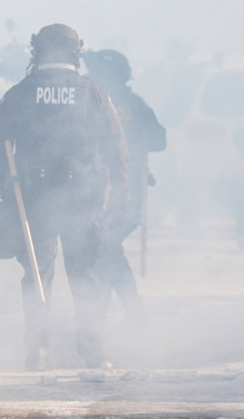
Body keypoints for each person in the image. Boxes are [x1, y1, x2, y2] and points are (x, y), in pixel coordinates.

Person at [0, 23, 130, 370]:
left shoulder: (19, 93)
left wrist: (9, 185)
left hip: (32, 199)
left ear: (37, 51)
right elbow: (115, 148)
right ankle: (93, 352)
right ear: (75, 51)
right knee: (84, 275)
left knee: (36, 276)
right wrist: (119, 194)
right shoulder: (93, 92)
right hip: (82, 199)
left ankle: (38, 351)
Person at [84, 49, 166, 325]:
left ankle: (110, 311)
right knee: (108, 246)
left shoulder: (88, 101)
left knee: (106, 245)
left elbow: (157, 141)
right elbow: (158, 140)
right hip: (106, 192)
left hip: (118, 192)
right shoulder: (134, 104)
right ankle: (131, 311)